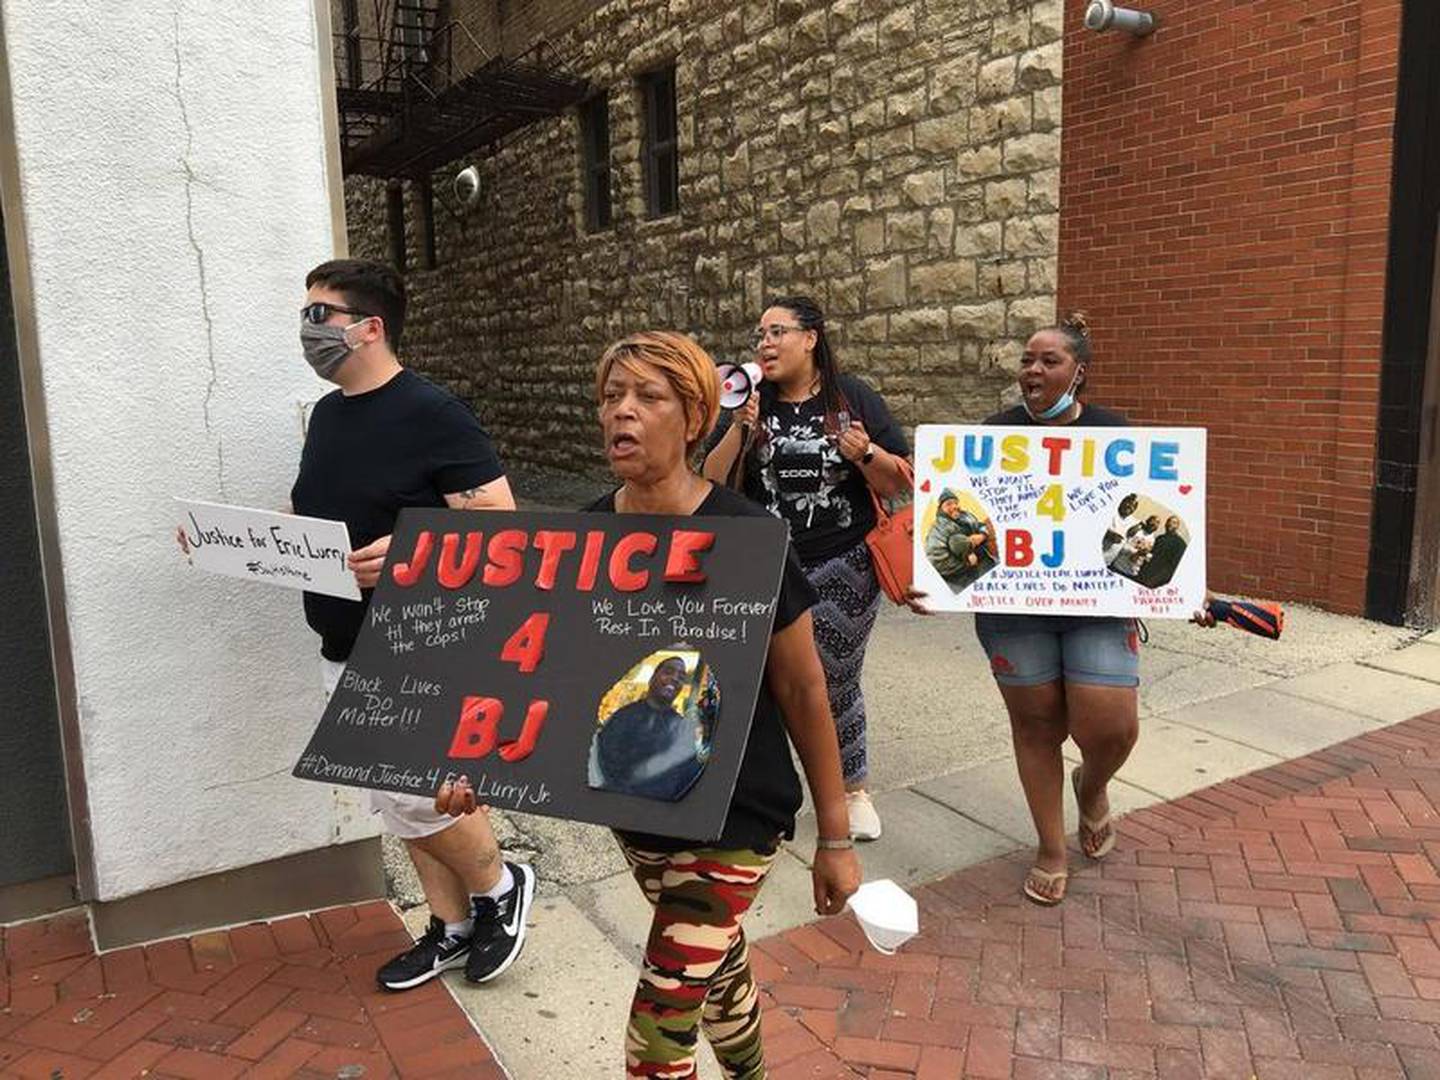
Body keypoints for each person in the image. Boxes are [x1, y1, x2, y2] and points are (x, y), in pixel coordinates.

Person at [438, 330, 861, 1078]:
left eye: (648, 397)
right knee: (715, 970)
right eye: (610, 397)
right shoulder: (587, 536)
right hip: (637, 804)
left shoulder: (749, 535)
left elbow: (802, 687)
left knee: (661, 1025)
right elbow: (550, 677)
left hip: (737, 812)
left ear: (695, 418)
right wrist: (483, 765)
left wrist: (835, 837)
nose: (621, 413)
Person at [179, 258, 536, 990]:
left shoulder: (432, 411)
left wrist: (411, 550)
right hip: (341, 640)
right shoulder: (328, 417)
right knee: (391, 800)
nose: (306, 333)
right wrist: (227, 538)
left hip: (419, 645)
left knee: (412, 792)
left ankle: (502, 885)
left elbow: (500, 519)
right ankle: (454, 928)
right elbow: (313, 520)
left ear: (370, 328)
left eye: (320, 316)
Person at [701, 296, 909, 841]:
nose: (764, 345)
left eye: (777, 333)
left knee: (832, 676)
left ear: (811, 338)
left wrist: (865, 454)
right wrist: (739, 430)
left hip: (844, 560)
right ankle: (772, 788)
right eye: (759, 336)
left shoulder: (852, 397)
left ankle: (851, 788)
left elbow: (900, 482)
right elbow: (712, 481)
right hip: (767, 564)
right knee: (766, 680)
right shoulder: (748, 402)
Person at [974, 312, 1161, 905]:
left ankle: (1093, 783)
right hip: (1015, 606)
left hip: (1097, 602)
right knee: (1036, 724)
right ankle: (1051, 847)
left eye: (1048, 361)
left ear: (1077, 373)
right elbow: (962, 521)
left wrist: (1177, 582)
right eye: (1028, 360)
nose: (1033, 370)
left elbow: (1148, 519)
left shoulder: (1114, 432)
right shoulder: (991, 435)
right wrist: (940, 579)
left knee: (1112, 724)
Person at [589, 655, 707, 800]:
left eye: (681, 676)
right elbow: (603, 766)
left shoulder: (682, 728)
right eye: (668, 672)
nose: (675, 678)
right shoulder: (624, 717)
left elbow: (687, 774)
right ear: (652, 678)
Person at [924, 489, 994, 591]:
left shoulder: (966, 516)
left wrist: (982, 535)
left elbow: (981, 526)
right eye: (949, 504)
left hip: (985, 560)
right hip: (961, 578)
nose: (954, 506)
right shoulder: (937, 529)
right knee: (956, 540)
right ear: (940, 509)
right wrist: (965, 563)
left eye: (956, 503)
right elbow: (935, 559)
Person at [1139, 516, 1189, 588]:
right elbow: (1151, 555)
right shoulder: (1160, 538)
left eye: (1174, 523)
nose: (1170, 524)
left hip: (1156, 582)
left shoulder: (1180, 544)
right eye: (1168, 521)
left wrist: (1154, 581)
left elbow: (1172, 567)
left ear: (1177, 526)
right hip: (1144, 575)